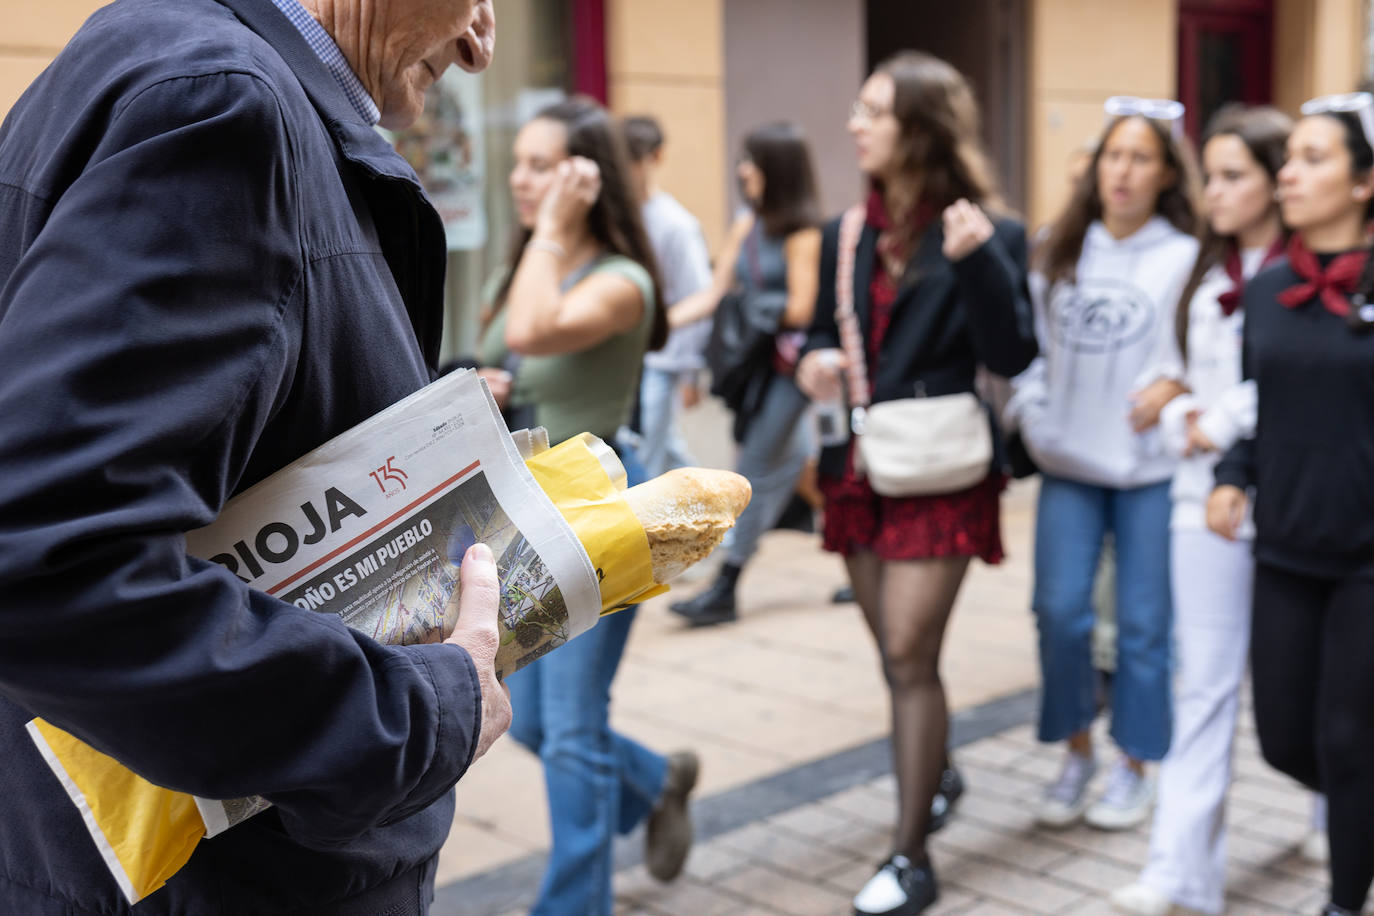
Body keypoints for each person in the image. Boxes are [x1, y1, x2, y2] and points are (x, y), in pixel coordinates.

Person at [0, 0, 509, 913]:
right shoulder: (225, 109)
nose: (480, 42)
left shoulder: (166, 65)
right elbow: (46, 560)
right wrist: (417, 717)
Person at [796, 51, 1037, 915]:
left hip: (943, 468)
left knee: (907, 652)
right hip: (860, 469)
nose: (856, 123)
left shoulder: (989, 232)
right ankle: (933, 767)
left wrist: (978, 264)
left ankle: (910, 859)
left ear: (922, 130)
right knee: (902, 662)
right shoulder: (843, 234)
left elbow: (1012, 355)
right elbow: (817, 335)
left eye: (875, 111)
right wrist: (815, 362)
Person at [476, 96, 697, 916]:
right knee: (529, 723)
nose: (521, 179)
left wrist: (554, 230)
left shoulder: (624, 280)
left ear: (583, 177)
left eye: (541, 165)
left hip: (597, 513)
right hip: (523, 516)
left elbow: (531, 332)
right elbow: (507, 349)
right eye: (520, 163)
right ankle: (657, 778)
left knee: (569, 727)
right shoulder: (525, 263)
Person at [1110, 104, 1293, 916]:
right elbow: (1183, 364)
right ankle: (1180, 873)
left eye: (1233, 176)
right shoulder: (1202, 272)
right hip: (1199, 500)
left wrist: (1228, 418)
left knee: (1307, 684)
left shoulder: (1315, 273)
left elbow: (1308, 381)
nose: (1213, 192)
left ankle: (1334, 816)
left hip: (1292, 498)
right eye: (1209, 176)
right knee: (1206, 684)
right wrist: (1175, 395)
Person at [1005, 96, 1201, 832]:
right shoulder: (1059, 244)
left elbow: (1206, 353)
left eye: (1141, 157)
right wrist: (1028, 410)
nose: (1122, 171)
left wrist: (1177, 385)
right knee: (1059, 613)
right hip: (1069, 463)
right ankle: (1077, 750)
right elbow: (1023, 349)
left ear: (1164, 173)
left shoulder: (1185, 255)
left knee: (1147, 626)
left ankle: (1136, 763)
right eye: (1113, 155)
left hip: (1149, 470)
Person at [1207, 90, 1374, 916]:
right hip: (1284, 547)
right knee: (1284, 740)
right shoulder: (1268, 294)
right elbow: (1255, 408)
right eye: (1290, 159)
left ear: (1366, 181)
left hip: (1369, 561)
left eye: (1315, 158)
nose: (1290, 175)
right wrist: (1231, 474)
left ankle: (1344, 902)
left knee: (1348, 741)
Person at [667, 122, 823, 626]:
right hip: (756, 367)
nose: (743, 171)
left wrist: (750, 307)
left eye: (752, 161)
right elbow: (715, 294)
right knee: (797, 462)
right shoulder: (746, 224)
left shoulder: (804, 234)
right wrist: (657, 324)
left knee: (752, 466)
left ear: (778, 170)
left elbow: (801, 310)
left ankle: (727, 586)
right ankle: (858, 541)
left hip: (788, 370)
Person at [621, 114, 714, 479]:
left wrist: (690, 374)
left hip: (662, 360)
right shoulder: (622, 217)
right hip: (631, 359)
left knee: (649, 456)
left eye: (634, 160)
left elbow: (701, 297)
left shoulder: (677, 225)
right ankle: (714, 515)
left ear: (654, 158)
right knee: (662, 449)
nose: (627, 171)